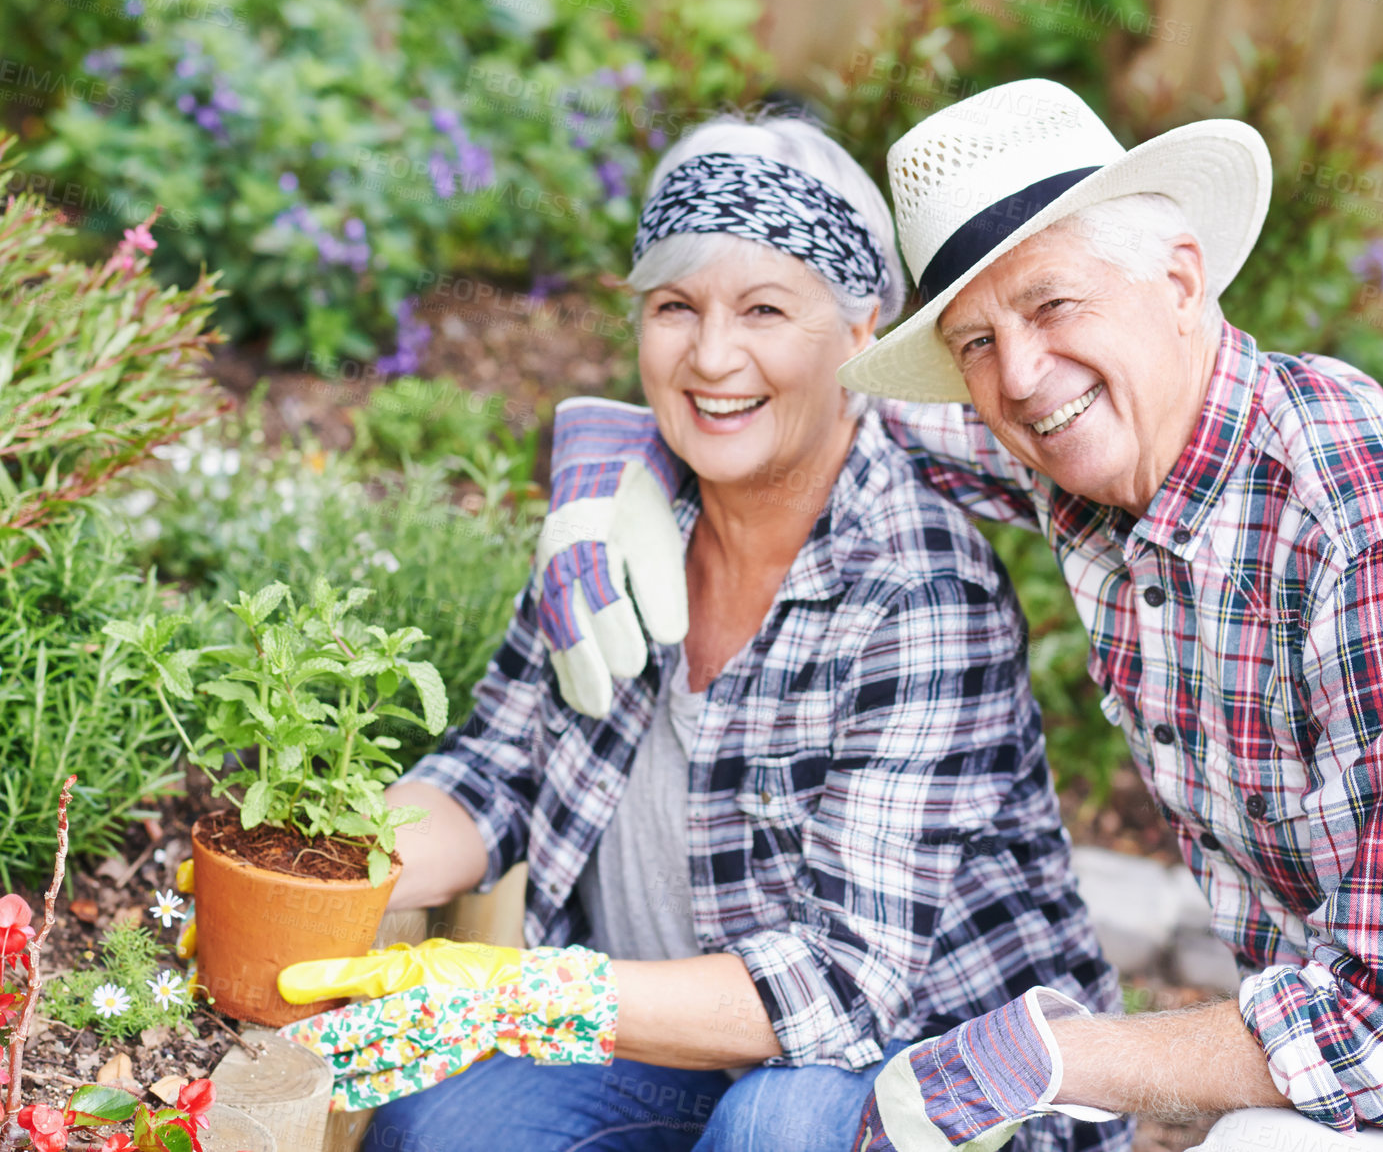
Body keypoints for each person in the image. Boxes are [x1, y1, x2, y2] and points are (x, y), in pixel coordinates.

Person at [534, 80, 1383, 1151]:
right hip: (1380, 1053)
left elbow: (1382, 1040)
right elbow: (806, 414)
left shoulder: (1380, 545)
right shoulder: (1089, 453)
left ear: (1177, 281)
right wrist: (612, 451)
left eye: (1053, 302)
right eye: (974, 341)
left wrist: (1044, 1057)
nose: (1019, 375)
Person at [357, 113, 1128, 1152]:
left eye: (766, 309)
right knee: (442, 1127)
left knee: (779, 1129)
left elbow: (841, 989)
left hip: (933, 1085)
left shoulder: (917, 589)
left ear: (860, 337)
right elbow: (496, 772)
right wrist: (322, 863)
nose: (712, 356)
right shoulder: (620, 524)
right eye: (675, 307)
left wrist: (517, 989)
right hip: (682, 1055)